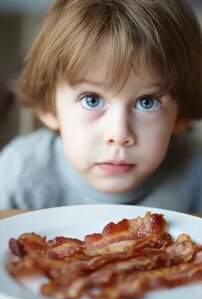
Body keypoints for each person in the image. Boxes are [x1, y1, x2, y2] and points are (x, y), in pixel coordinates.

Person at [0, 0, 201, 211]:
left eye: (147, 102)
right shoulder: (18, 174)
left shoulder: (197, 173)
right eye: (92, 100)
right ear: (48, 106)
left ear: (181, 115)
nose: (119, 134)